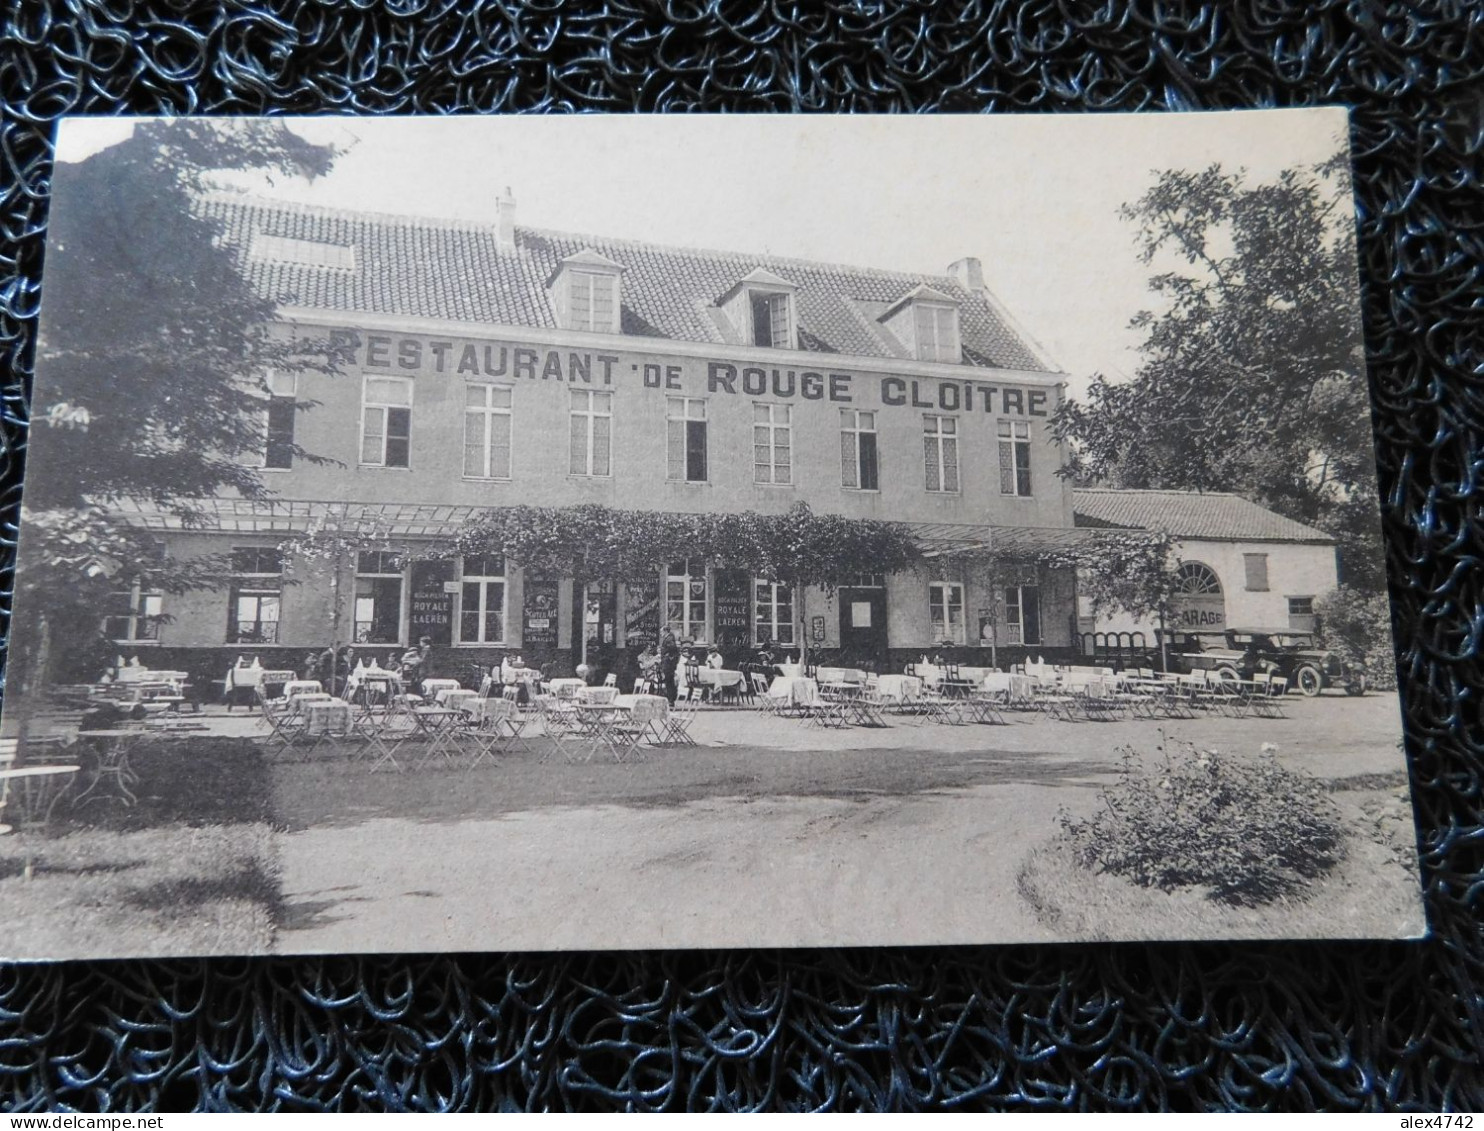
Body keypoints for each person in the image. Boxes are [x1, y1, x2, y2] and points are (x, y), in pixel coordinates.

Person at [659, 625, 681, 705]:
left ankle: (671, 700)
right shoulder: (668, 638)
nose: (660, 633)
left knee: (669, 681)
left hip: (668, 664)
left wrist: (667, 657)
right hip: (668, 663)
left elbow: (673, 650)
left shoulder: (669, 638)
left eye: (661, 631)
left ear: (665, 631)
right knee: (669, 681)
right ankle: (671, 699)